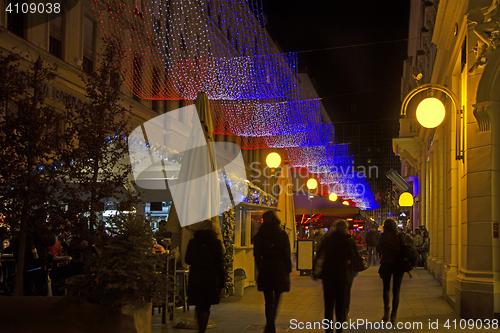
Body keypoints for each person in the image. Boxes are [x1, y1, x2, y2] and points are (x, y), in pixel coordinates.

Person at [315, 219, 357, 333]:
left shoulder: (328, 240)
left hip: (328, 275)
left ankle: (328, 330)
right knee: (340, 305)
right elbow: (354, 257)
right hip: (342, 276)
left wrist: (315, 271)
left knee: (328, 305)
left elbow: (319, 255)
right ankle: (339, 329)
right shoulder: (349, 241)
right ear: (346, 229)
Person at [253, 211, 291, 333]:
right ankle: (271, 324)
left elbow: (257, 254)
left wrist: (260, 266)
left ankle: (270, 325)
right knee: (277, 299)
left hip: (266, 269)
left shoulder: (260, 235)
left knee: (268, 300)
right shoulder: (282, 234)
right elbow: (286, 254)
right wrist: (288, 268)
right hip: (279, 269)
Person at [185, 225, 225, 333]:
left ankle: (200, 327)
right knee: (206, 306)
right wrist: (223, 279)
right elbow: (220, 263)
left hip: (196, 277)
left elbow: (187, 259)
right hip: (210, 277)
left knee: (199, 305)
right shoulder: (215, 243)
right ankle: (202, 329)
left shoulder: (193, 242)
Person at [376, 218, 405, 324]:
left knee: (386, 289)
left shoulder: (383, 236)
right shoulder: (400, 236)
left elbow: (378, 249)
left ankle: (386, 312)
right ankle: (394, 315)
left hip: (386, 264)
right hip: (398, 265)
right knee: (396, 291)